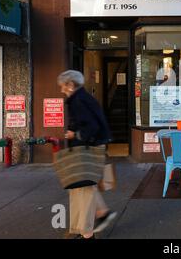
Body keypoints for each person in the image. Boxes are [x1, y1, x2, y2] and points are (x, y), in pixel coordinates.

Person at [57, 70, 117, 239]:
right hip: (91, 148)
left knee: (82, 188)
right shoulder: (83, 98)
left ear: (70, 84)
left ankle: (85, 231)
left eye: (63, 86)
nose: (62, 90)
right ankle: (97, 217)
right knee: (83, 186)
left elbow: (91, 127)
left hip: (87, 149)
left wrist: (73, 134)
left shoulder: (78, 101)